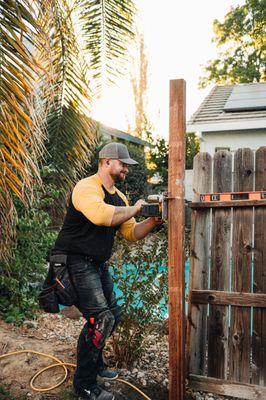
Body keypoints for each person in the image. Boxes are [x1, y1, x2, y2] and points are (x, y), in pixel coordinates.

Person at [52, 142, 160, 400]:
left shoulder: (119, 198)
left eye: (126, 166)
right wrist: (135, 208)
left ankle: (95, 364)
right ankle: (84, 384)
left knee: (111, 314)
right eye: (122, 164)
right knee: (101, 320)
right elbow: (100, 216)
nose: (126, 169)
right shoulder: (85, 187)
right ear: (106, 162)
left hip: (96, 264)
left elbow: (131, 233)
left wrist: (152, 221)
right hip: (73, 261)